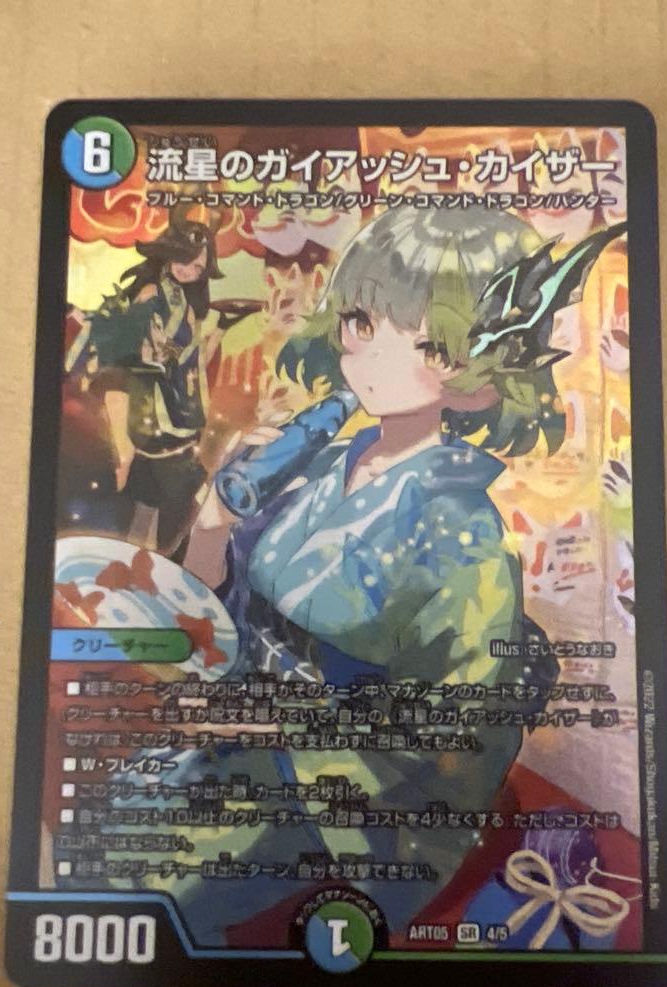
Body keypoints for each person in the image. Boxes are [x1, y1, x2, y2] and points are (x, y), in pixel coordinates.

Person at [131, 207, 623, 945]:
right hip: (241, 734)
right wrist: (212, 525)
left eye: (424, 340)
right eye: (361, 320)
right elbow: (215, 610)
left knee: (151, 884)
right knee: (108, 825)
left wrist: (271, 725)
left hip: (348, 792)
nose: (367, 351)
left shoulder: (464, 534)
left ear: (478, 373)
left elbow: (446, 734)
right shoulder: (320, 459)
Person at [63, 209, 225, 554]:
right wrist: (124, 449)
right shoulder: (152, 292)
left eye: (198, 268)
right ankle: (145, 562)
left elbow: (187, 359)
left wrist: (221, 330)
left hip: (175, 414)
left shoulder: (182, 300)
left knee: (156, 505)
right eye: (185, 260)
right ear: (169, 252)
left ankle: (145, 562)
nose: (190, 271)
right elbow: (130, 352)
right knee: (162, 499)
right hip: (148, 409)